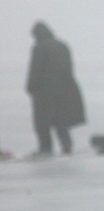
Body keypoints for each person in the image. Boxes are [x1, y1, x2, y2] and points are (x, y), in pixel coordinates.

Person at [26, 21, 87, 156]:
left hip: (43, 92)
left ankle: (45, 148)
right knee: (61, 121)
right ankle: (67, 146)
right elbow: (69, 68)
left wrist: (30, 86)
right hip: (63, 90)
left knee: (43, 123)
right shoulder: (62, 46)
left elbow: (35, 69)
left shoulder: (39, 48)